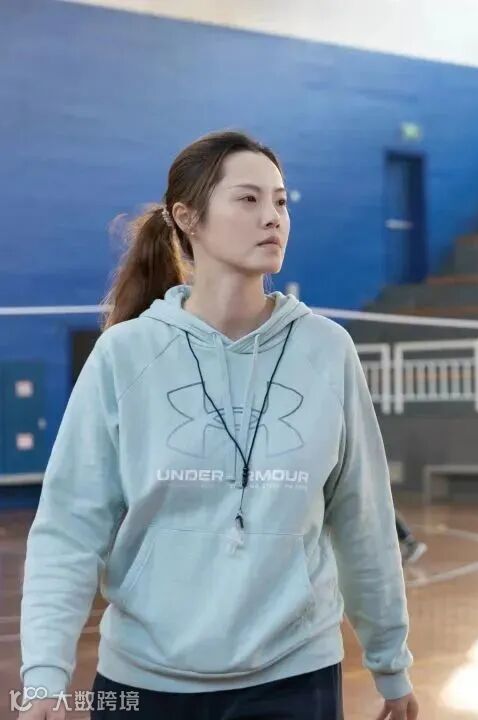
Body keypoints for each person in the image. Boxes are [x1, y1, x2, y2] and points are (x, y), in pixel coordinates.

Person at [18, 131, 419, 720]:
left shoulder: (327, 350)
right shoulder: (124, 355)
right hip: (143, 682)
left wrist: (390, 661)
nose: (273, 217)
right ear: (188, 219)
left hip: (294, 677)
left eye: (280, 201)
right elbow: (68, 529)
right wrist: (45, 675)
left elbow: (364, 518)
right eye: (248, 199)